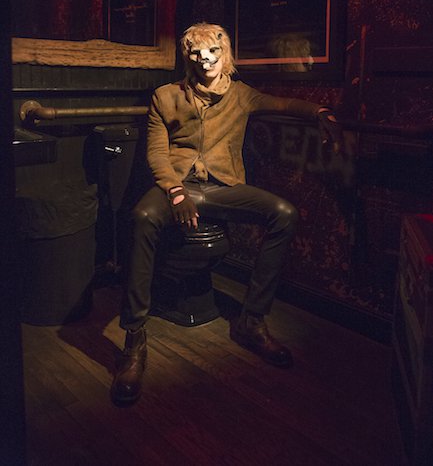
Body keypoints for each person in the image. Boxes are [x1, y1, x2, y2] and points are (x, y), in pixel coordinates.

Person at [111, 22, 342, 405]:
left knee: (284, 213)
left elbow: (283, 105)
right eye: (196, 53)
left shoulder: (241, 94)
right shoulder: (165, 96)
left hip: (223, 186)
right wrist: (175, 191)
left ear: (226, 54)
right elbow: (156, 153)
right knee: (142, 217)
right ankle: (134, 340)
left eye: (213, 52)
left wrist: (320, 111)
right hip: (177, 186)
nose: (205, 60)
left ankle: (252, 321)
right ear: (188, 58)